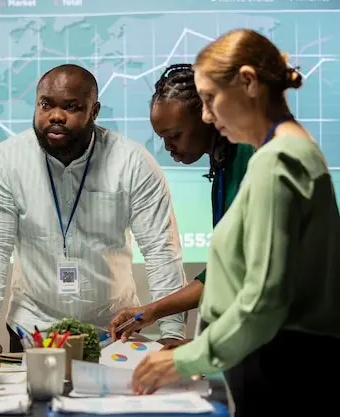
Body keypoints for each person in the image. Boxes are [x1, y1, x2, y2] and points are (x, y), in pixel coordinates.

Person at [131, 29, 340, 415]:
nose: (207, 115)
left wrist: (184, 359)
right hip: (277, 365)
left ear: (248, 83)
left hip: (281, 372)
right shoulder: (291, 151)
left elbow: (263, 302)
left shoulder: (277, 161)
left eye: (210, 99)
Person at [0, 64, 187, 355]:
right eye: (46, 105)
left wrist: (172, 333)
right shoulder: (6, 161)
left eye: (71, 107)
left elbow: (161, 251)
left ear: (94, 112)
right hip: (32, 329)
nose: (56, 116)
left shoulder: (132, 163)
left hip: (113, 331)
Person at [109, 64, 255, 346]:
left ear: (206, 116)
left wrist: (193, 347)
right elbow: (225, 267)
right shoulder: (224, 162)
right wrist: (151, 312)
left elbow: (242, 268)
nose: (168, 147)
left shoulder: (251, 155)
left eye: (175, 135)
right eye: (163, 138)